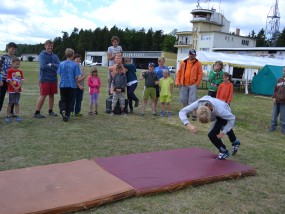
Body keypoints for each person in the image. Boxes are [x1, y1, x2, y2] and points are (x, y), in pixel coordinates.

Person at [179, 95, 241, 160]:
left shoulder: (221, 111)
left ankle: (224, 151)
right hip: (215, 109)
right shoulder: (198, 103)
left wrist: (223, 132)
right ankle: (235, 142)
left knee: (212, 134)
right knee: (222, 127)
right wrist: (188, 125)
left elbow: (232, 118)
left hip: (225, 109)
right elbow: (182, 111)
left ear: (211, 115)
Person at [34, 40, 60, 118]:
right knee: (43, 95)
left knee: (52, 95)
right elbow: (43, 66)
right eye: (48, 45)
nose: (50, 47)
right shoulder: (42, 55)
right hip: (45, 78)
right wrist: (53, 67)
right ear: (45, 46)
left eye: (51, 46)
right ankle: (37, 112)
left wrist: (51, 64)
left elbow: (59, 66)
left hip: (53, 79)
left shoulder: (55, 56)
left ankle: (50, 111)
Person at [175, 49, 202, 121]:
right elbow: (179, 72)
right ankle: (186, 112)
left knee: (193, 99)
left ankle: (194, 113)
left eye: (193, 54)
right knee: (184, 99)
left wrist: (197, 83)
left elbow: (200, 73)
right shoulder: (183, 62)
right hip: (183, 83)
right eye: (190, 54)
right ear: (188, 54)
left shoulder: (198, 63)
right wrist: (177, 81)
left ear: (195, 55)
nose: (191, 55)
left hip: (193, 84)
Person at [57, 48, 81, 122]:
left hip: (63, 85)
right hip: (71, 85)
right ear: (73, 55)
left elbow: (60, 73)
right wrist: (77, 82)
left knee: (63, 99)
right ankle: (67, 114)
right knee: (70, 100)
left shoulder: (61, 63)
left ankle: (63, 110)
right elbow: (77, 76)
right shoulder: (75, 65)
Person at [0, 42, 18, 115]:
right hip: (4, 79)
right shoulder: (3, 57)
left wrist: (17, 79)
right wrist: (0, 79)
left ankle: (11, 112)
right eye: (12, 49)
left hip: (12, 80)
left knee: (13, 96)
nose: (14, 50)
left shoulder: (15, 58)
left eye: (15, 49)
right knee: (1, 97)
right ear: (8, 48)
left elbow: (16, 69)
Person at [5, 57, 24, 123]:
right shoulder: (9, 71)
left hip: (18, 90)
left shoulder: (20, 71)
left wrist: (18, 87)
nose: (17, 65)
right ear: (12, 63)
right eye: (16, 64)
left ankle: (17, 116)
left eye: (19, 64)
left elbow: (22, 80)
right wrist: (14, 88)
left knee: (17, 103)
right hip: (11, 90)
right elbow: (9, 80)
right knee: (10, 103)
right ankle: (7, 116)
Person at [268, 66, 285, 134]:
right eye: (284, 71)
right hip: (277, 101)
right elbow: (275, 89)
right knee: (274, 115)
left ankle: (283, 129)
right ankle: (272, 127)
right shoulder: (279, 80)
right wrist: (274, 97)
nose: (284, 72)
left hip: (284, 102)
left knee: (283, 117)